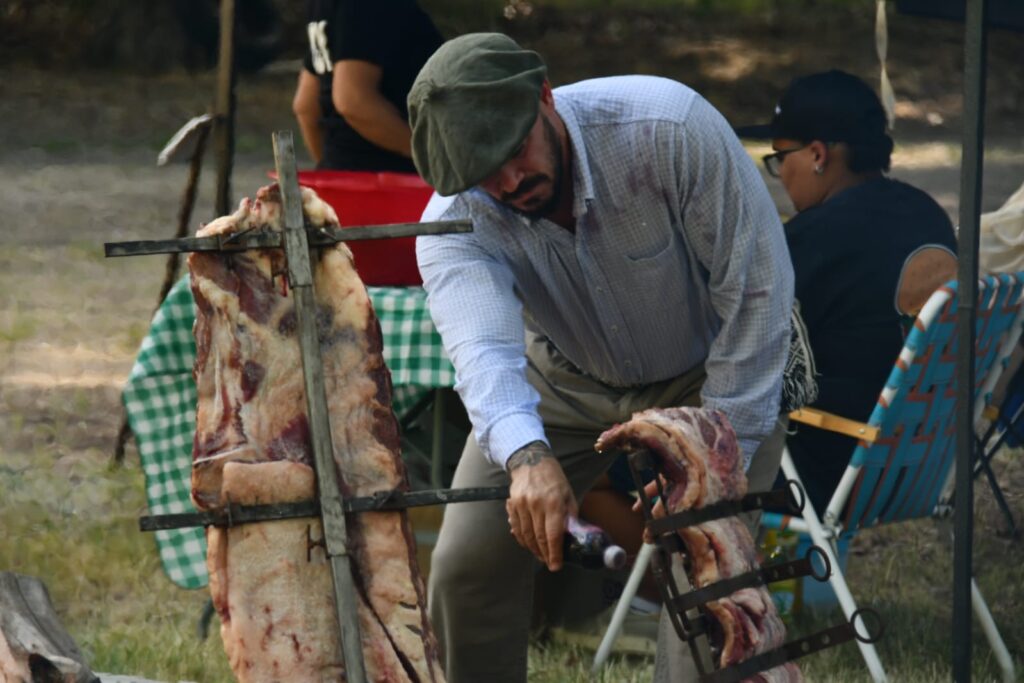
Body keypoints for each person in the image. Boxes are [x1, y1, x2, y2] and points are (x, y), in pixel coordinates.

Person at [406, 33, 795, 682]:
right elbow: (484, 355)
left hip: (709, 376)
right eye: (484, 173)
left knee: (704, 572)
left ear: (545, 96)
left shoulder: (669, 129)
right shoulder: (453, 218)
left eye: (515, 151)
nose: (509, 181)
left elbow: (757, 294)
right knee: (466, 562)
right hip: (562, 375)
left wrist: (713, 456)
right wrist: (527, 458)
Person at [735, 69, 958, 513]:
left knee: (614, 464)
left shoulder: (815, 237)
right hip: (916, 466)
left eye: (780, 158)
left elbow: (745, 353)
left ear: (818, 154)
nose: (781, 174)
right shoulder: (926, 211)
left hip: (826, 469)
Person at [292, 0, 443, 171]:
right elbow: (353, 102)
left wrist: (331, 169)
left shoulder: (324, 5)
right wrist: (436, 158)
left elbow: (306, 105)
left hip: (343, 173)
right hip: (394, 176)